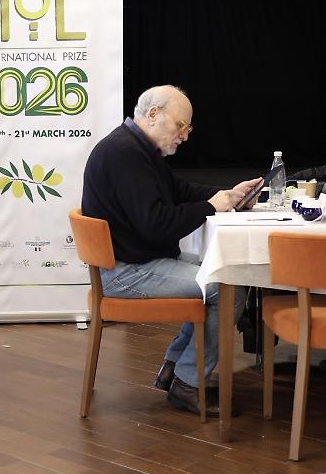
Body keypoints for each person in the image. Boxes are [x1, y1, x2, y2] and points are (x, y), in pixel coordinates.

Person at [81, 85, 261, 417]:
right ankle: (188, 384)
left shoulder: (137, 149)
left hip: (134, 261)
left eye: (188, 128)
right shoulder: (124, 154)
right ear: (153, 114)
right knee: (226, 286)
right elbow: (157, 224)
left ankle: (175, 369)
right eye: (181, 125)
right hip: (124, 272)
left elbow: (180, 191)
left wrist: (228, 195)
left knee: (223, 271)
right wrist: (211, 206)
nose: (185, 136)